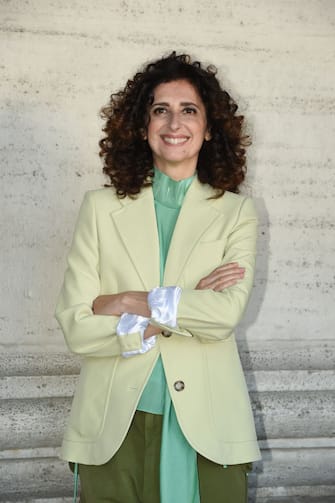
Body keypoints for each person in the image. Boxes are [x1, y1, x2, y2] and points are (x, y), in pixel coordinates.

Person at [55, 51, 261, 503]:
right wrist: (182, 304)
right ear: (142, 125)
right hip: (113, 423)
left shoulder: (237, 213)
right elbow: (75, 322)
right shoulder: (99, 208)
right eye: (160, 110)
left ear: (209, 129)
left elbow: (224, 315)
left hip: (208, 427)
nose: (174, 123)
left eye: (189, 110)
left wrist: (127, 302)